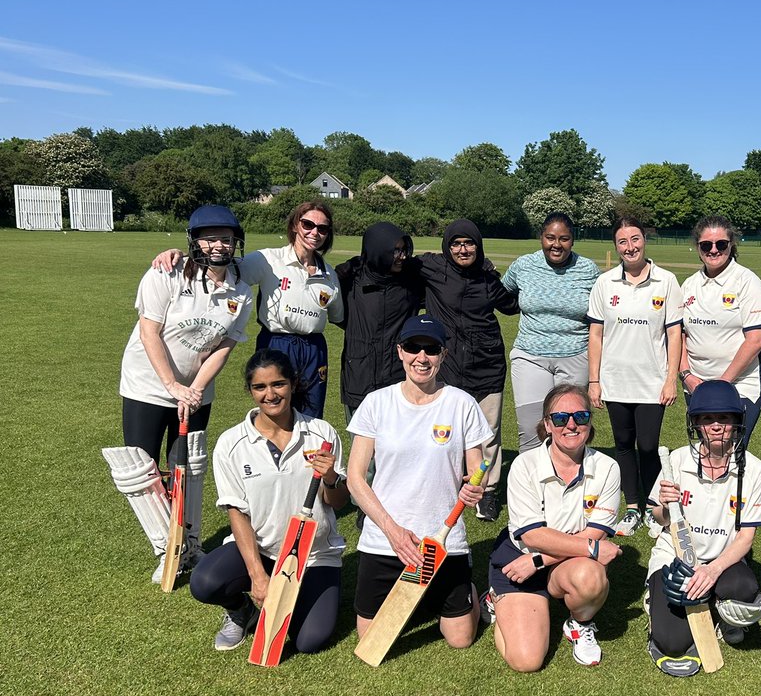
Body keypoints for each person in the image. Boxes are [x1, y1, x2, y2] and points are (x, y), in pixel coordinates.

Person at [113, 204, 253, 582]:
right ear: (194, 242)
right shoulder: (166, 273)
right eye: (209, 238)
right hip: (147, 387)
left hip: (194, 393)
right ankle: (167, 547)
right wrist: (172, 386)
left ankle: (189, 542)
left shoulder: (240, 289)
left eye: (225, 238)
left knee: (186, 469)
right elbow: (149, 332)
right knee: (143, 473)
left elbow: (224, 346)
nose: (218, 245)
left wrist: (194, 388)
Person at [346, 315, 491, 654]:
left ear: (443, 354)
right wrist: (393, 531)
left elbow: (475, 470)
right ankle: (418, 590)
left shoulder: (461, 404)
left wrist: (474, 487)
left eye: (431, 349)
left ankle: (464, 587)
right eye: (413, 347)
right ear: (400, 352)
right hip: (386, 540)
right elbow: (355, 478)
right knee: (371, 639)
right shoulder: (377, 402)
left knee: (460, 639)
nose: (421, 357)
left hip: (441, 540)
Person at [192, 349, 348, 652]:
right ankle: (242, 610)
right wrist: (258, 576)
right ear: (250, 391)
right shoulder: (231, 443)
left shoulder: (321, 433)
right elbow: (237, 512)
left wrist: (331, 477)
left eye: (278, 384)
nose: (270, 394)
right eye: (260, 387)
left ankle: (301, 593)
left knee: (308, 641)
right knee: (206, 582)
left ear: (292, 384)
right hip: (262, 550)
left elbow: (338, 502)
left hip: (314, 555)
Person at [152, 201, 344, 418]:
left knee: (312, 416)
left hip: (314, 349)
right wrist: (179, 253)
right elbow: (219, 262)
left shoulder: (329, 274)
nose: (314, 232)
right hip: (276, 343)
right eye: (307, 224)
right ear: (294, 226)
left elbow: (338, 315)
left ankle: (306, 453)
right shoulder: (268, 259)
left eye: (322, 228)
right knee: (274, 411)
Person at [484, 384, 623, 671]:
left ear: (589, 421)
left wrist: (537, 561)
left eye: (580, 417)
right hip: (517, 561)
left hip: (545, 561)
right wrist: (592, 548)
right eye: (560, 418)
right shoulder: (524, 465)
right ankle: (498, 601)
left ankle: (579, 624)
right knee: (526, 661)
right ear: (547, 425)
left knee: (591, 576)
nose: (571, 425)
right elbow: (533, 535)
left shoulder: (608, 467)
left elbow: (594, 533)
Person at [644, 380, 761, 677]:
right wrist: (663, 504)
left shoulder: (752, 468)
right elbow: (660, 518)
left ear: (737, 422)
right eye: (707, 419)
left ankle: (717, 604)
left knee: (744, 590)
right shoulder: (675, 460)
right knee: (673, 642)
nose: (716, 426)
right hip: (675, 558)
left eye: (724, 418)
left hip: (723, 561)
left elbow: (746, 537)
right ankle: (656, 598)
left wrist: (712, 571)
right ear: (696, 424)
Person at [417, 219, 519, 521]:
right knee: (442, 432)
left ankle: (486, 493)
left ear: (478, 245)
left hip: (486, 364)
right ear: (447, 247)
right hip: (445, 367)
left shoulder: (487, 279)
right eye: (456, 244)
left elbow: (511, 305)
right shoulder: (431, 270)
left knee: (487, 435)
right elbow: (396, 263)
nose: (463, 249)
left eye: (469, 243)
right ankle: (444, 488)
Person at [587, 216, 683, 535]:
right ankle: (632, 508)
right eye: (623, 242)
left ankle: (656, 510)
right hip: (615, 381)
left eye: (635, 239)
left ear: (644, 241)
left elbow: (673, 335)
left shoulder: (666, 281)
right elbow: (596, 334)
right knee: (624, 445)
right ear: (616, 247)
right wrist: (595, 381)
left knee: (648, 446)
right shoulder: (605, 283)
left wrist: (671, 379)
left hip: (652, 383)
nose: (630, 247)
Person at [501, 212, 600, 453]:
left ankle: (569, 485)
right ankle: (531, 488)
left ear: (573, 241)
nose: (557, 245)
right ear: (541, 238)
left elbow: (600, 314)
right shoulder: (524, 265)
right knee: (531, 429)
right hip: (530, 356)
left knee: (570, 430)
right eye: (550, 238)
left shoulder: (588, 269)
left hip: (575, 357)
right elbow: (502, 294)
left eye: (564, 239)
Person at [678, 216, 761, 441]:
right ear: (698, 247)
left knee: (734, 452)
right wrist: (686, 375)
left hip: (740, 385)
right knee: (707, 452)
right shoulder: (689, 284)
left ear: (731, 245)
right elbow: (679, 335)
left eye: (721, 244)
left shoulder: (747, 282)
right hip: (697, 384)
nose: (713, 250)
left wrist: (721, 384)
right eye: (706, 245)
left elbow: (756, 340)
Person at [333, 221, 425, 422]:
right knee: (362, 451)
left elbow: (445, 272)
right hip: (359, 379)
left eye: (403, 250)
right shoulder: (349, 279)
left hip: (398, 380)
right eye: (395, 251)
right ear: (377, 250)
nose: (401, 257)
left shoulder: (412, 281)